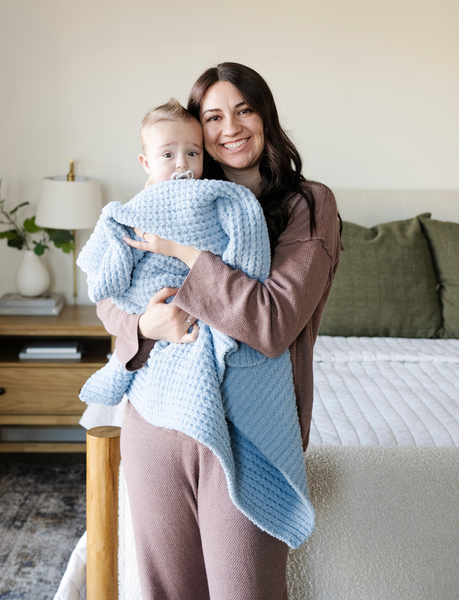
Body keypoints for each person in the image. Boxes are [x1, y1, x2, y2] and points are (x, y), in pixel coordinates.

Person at [96, 63, 342, 600]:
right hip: (155, 420)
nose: (229, 127)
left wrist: (186, 255)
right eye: (212, 117)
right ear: (195, 131)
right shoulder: (170, 194)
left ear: (266, 116)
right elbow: (113, 297)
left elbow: (272, 323)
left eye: (244, 110)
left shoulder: (309, 205)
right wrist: (144, 323)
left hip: (248, 431)